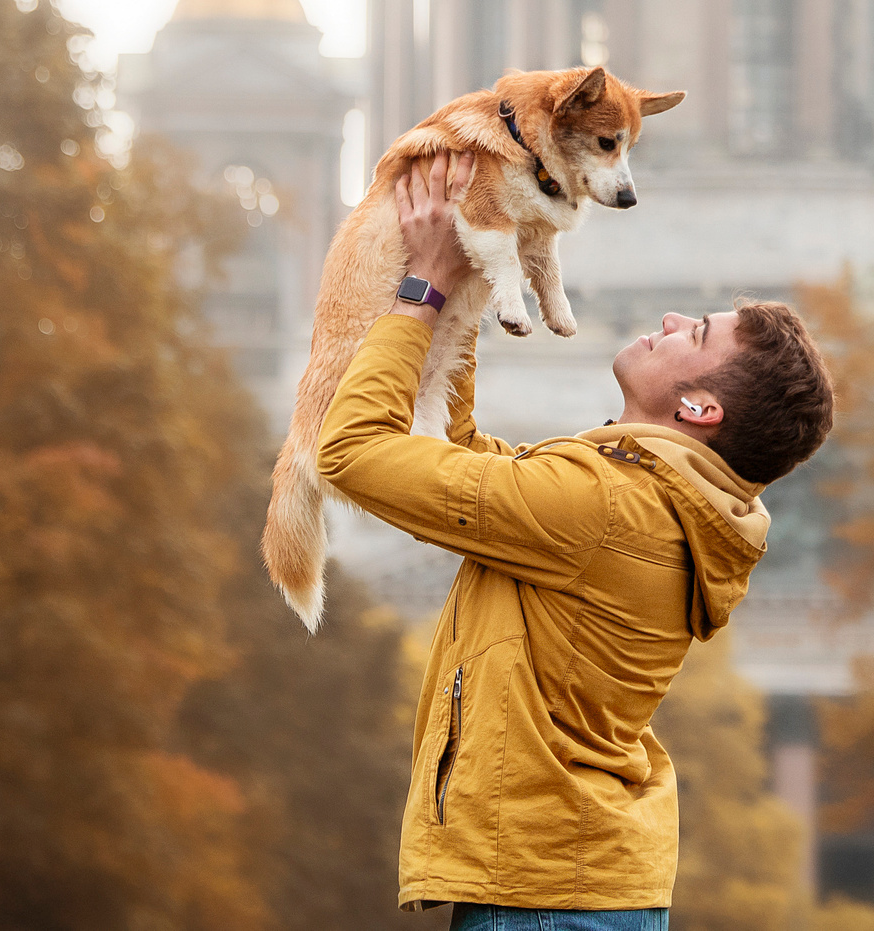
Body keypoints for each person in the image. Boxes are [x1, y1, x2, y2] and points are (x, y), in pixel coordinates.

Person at [315, 151, 836, 928]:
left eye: (693, 332)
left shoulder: (600, 506)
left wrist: (421, 289)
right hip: (581, 879)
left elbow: (351, 450)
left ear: (698, 408)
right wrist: (464, 283)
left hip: (543, 895)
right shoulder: (647, 498)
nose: (667, 322)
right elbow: (466, 462)